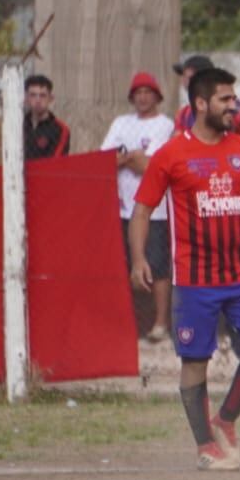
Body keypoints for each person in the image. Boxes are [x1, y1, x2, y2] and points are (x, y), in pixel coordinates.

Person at [131, 66, 240, 472]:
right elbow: (142, 210)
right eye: (224, 99)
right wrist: (138, 258)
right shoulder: (170, 154)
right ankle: (206, 445)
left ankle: (226, 419)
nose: (232, 106)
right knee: (194, 361)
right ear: (200, 104)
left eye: (233, 99)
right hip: (194, 280)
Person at [101, 72, 176, 342]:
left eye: (148, 92)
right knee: (122, 266)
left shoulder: (165, 125)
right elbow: (104, 158)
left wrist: (126, 157)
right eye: (138, 92)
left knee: (157, 266)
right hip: (122, 207)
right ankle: (124, 325)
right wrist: (134, 158)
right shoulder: (122, 122)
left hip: (154, 210)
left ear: (157, 96)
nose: (143, 97)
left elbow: (153, 167)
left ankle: (160, 323)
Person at [173, 56, 240, 134]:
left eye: (188, 77)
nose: (183, 81)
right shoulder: (184, 113)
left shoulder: (233, 104)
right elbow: (178, 138)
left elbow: (230, 128)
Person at [22, 74, 70, 160]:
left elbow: (56, 162)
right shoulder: (18, 125)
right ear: (26, 98)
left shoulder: (60, 130)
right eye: (33, 95)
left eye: (42, 95)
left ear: (51, 98)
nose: (38, 100)